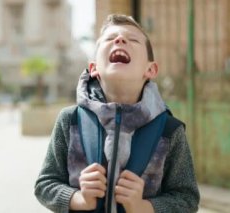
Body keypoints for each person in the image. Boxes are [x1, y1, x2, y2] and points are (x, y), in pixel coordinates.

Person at [35, 14, 200, 213]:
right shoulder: (70, 121)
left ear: (150, 69)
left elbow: (187, 198)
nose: (120, 40)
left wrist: (143, 207)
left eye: (132, 40)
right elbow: (44, 185)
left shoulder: (169, 130)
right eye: (110, 39)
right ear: (94, 68)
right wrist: (79, 198)